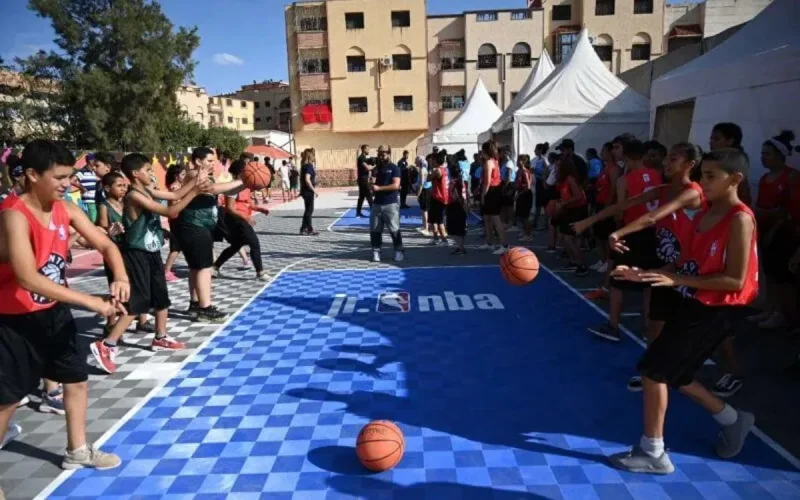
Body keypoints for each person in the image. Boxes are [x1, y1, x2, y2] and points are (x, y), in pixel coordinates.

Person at [609, 148, 758, 475]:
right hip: (695, 301)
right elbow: (682, 263)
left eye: (711, 176)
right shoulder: (704, 215)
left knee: (653, 370)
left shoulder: (740, 219)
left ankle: (653, 451)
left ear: (735, 179)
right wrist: (642, 274)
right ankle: (733, 420)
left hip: (719, 309)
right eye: (703, 175)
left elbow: (735, 279)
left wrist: (676, 279)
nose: (704, 182)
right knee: (677, 375)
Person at [0, 139, 128, 469]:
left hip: (53, 312)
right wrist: (91, 302)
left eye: (69, 176)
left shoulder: (66, 209)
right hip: (14, 319)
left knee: (76, 380)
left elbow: (106, 245)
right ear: (32, 175)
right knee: (7, 402)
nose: (67, 183)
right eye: (59, 177)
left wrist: (120, 276)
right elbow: (28, 278)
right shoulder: (13, 215)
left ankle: (77, 450)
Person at [597, 143, 706, 392]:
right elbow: (629, 206)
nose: (666, 162)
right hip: (667, 265)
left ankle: (727, 377)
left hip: (688, 271)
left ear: (690, 165)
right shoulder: (664, 188)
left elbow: (650, 218)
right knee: (656, 323)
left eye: (672, 159)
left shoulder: (692, 192)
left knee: (687, 330)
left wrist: (618, 232)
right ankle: (651, 372)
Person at [91, 154, 206, 374]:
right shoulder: (134, 195)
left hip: (151, 251)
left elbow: (175, 194)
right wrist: (195, 192)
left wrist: (196, 181)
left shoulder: (148, 190)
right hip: (136, 254)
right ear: (136, 174)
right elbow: (171, 210)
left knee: (161, 297)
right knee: (139, 301)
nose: (152, 174)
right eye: (148, 170)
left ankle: (160, 337)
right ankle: (107, 344)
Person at [579, 139, 663, 342]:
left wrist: (615, 227)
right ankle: (647, 329)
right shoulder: (658, 175)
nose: (615, 152)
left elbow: (620, 211)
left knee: (617, 282)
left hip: (632, 232)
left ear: (626, 156)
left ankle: (613, 326)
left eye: (618, 148)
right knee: (648, 284)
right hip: (655, 232)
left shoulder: (625, 180)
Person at [173, 147, 243, 323]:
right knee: (204, 267)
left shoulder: (207, 176)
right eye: (210, 161)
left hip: (200, 226)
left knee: (196, 267)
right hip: (194, 225)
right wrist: (242, 180)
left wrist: (244, 184)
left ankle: (195, 304)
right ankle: (205, 308)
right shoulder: (193, 174)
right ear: (198, 161)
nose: (213, 164)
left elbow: (223, 190)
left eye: (214, 161)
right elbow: (212, 189)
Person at [749, 130, 798, 330]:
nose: (763, 157)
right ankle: (770, 308)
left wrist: (773, 226)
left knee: (782, 276)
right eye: (762, 153)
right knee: (768, 272)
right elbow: (762, 206)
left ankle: (783, 314)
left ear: (780, 155)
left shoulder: (791, 177)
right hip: (765, 230)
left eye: (767, 154)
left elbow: (787, 210)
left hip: (784, 232)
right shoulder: (764, 178)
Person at [214, 160, 270, 280]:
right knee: (254, 243)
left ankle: (215, 267)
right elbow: (229, 208)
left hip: (241, 218)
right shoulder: (233, 187)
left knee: (236, 245)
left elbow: (248, 204)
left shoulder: (247, 185)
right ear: (241, 173)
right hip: (235, 219)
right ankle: (260, 272)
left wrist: (260, 209)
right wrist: (245, 217)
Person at [552, 156, 588, 276]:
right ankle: (573, 261)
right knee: (564, 238)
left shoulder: (570, 179)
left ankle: (581, 264)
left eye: (559, 165)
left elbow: (578, 196)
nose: (557, 167)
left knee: (569, 239)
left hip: (576, 210)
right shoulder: (563, 180)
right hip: (569, 209)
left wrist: (563, 203)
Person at [369, 145, 404, 263]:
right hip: (377, 204)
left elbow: (396, 185)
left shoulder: (395, 168)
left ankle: (398, 251)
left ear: (389, 154)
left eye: (383, 154)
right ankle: (376, 252)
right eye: (379, 154)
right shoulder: (376, 169)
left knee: (394, 229)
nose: (381, 156)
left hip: (391, 204)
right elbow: (372, 186)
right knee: (375, 230)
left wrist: (379, 188)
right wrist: (371, 183)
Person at [709, 122, 752, 205]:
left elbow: (743, 193)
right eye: (711, 139)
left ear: (730, 141)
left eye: (716, 139)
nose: (711, 142)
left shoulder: (734, 160)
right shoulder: (715, 158)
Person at [478, 140, 508, 255]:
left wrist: (483, 195)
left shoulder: (489, 162)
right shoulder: (494, 160)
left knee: (495, 219)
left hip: (492, 191)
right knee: (486, 218)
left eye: (483, 150)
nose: (481, 153)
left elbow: (487, 182)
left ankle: (504, 245)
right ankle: (489, 242)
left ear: (486, 151)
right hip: (494, 190)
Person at [163, 163, 185, 282]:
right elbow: (173, 206)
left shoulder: (181, 186)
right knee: (175, 247)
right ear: (176, 176)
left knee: (180, 246)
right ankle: (166, 271)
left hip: (181, 220)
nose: (184, 176)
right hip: (176, 220)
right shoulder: (174, 188)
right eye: (182, 174)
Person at [446, 155, 470, 255]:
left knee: (454, 228)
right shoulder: (463, 181)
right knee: (461, 228)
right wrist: (467, 204)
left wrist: (459, 201)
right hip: (462, 205)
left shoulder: (453, 182)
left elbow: (454, 195)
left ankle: (461, 248)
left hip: (455, 205)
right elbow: (466, 193)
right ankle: (460, 247)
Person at [428, 152, 450, 246]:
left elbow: (428, 178)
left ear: (436, 161)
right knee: (434, 219)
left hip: (438, 197)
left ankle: (444, 240)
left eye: (432, 160)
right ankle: (435, 238)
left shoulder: (437, 170)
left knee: (439, 220)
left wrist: (430, 169)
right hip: (441, 197)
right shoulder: (445, 169)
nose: (431, 162)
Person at [300, 149, 319, 236]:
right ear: (311, 156)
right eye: (313, 155)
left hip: (305, 191)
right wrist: (314, 190)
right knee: (309, 210)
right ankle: (309, 229)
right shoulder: (309, 166)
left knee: (307, 210)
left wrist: (301, 191)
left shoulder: (303, 166)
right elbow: (307, 180)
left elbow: (302, 180)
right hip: (308, 191)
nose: (314, 157)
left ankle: (303, 228)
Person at [74, 153, 98, 222]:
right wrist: (82, 188)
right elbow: (72, 180)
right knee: (92, 220)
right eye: (95, 160)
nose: (96, 162)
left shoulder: (93, 172)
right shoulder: (83, 171)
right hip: (88, 200)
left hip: (93, 200)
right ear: (90, 161)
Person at [515, 155, 534, 241]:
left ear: (523, 162)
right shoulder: (519, 171)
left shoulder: (525, 172)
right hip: (521, 194)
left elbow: (528, 186)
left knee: (525, 217)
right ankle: (525, 232)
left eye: (519, 160)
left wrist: (519, 194)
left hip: (525, 195)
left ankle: (528, 235)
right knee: (521, 216)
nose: (517, 162)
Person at [532, 143, 550, 231]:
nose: (534, 151)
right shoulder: (538, 159)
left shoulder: (544, 160)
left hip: (543, 183)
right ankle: (535, 223)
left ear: (540, 150)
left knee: (544, 204)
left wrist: (535, 171)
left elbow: (547, 172)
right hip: (538, 183)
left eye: (536, 149)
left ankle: (545, 224)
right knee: (538, 204)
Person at [356, 144, 374, 217]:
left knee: (362, 196)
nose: (368, 150)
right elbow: (368, 168)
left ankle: (358, 212)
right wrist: (375, 166)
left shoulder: (364, 158)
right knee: (369, 195)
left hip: (363, 178)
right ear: (363, 149)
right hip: (362, 179)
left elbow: (367, 168)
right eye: (367, 149)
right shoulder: (361, 158)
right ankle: (374, 212)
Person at [416, 155, 432, 236]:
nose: (415, 162)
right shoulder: (422, 169)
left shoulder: (422, 170)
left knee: (425, 210)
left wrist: (418, 194)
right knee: (423, 209)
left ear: (419, 161)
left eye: (416, 160)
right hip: (425, 190)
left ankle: (426, 228)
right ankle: (424, 226)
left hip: (425, 190)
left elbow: (421, 183)